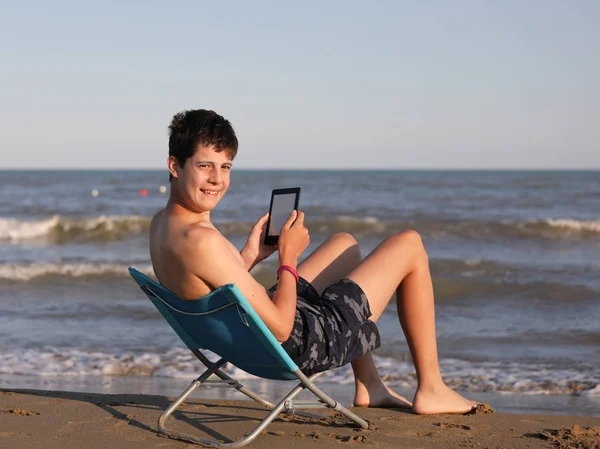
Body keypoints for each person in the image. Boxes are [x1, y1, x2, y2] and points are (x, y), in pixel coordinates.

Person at [149, 108, 479, 414]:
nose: (218, 180)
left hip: (249, 340)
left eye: (226, 167)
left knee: (344, 245)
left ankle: (369, 385)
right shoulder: (203, 240)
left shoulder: (162, 225)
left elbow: (208, 286)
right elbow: (280, 327)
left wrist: (251, 255)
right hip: (297, 346)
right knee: (410, 244)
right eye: (205, 166)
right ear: (175, 166)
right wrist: (287, 260)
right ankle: (432, 388)